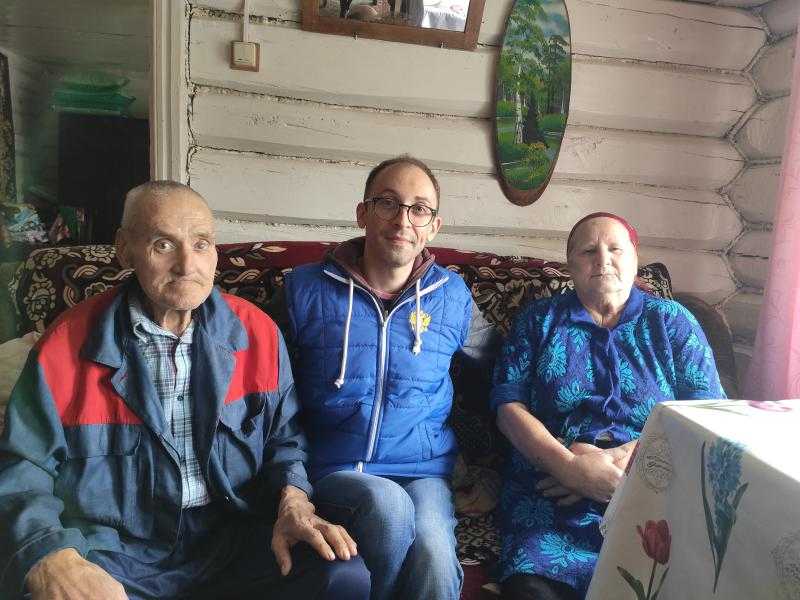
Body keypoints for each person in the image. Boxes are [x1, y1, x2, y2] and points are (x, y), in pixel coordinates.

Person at [0, 181, 370, 600]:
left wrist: (294, 502)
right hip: (115, 552)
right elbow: (22, 467)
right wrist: (51, 554)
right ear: (124, 250)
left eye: (201, 244)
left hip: (230, 539)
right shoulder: (65, 346)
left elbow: (285, 441)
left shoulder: (257, 334)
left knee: (341, 575)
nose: (186, 265)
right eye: (163, 245)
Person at [272, 156, 497, 600]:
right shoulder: (305, 289)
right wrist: (289, 480)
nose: (402, 220)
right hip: (336, 468)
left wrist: (497, 464)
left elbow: (499, 372)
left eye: (419, 209)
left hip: (424, 470)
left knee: (435, 559)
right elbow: (266, 388)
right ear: (363, 213)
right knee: (388, 506)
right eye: (388, 203)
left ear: (434, 226)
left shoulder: (452, 296)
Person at [491, 212, 725, 600]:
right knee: (530, 589)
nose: (603, 260)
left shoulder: (671, 322)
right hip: (552, 492)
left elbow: (708, 410)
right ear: (570, 264)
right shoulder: (539, 321)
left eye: (615, 249)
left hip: (653, 490)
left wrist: (623, 461)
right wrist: (569, 467)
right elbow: (507, 405)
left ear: (635, 259)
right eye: (588, 251)